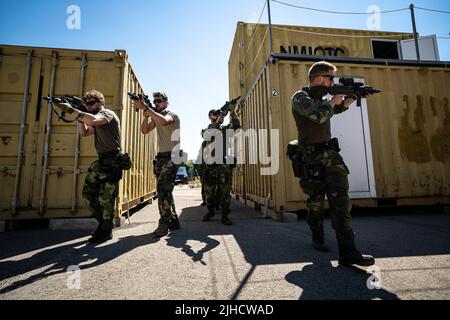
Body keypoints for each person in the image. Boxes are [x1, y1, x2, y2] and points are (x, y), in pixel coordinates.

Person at [291, 61, 375, 267]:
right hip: (311, 158)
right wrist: (334, 100)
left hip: (330, 155)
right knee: (316, 202)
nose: (332, 84)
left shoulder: (322, 98)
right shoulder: (300, 97)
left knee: (341, 200)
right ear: (319, 78)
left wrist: (350, 99)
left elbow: (334, 110)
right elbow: (319, 115)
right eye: (330, 79)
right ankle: (317, 236)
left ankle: (348, 251)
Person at [55, 90, 126, 244]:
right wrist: (78, 118)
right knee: (88, 195)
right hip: (101, 162)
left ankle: (106, 230)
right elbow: (84, 133)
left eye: (92, 102)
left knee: (106, 199)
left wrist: (71, 110)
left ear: (101, 103)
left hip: (112, 161)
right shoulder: (91, 116)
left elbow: (94, 121)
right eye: (86, 103)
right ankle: (105, 223)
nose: (88, 105)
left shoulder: (107, 114)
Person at [132, 92, 181, 238]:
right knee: (166, 191)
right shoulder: (155, 115)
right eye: (155, 101)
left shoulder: (171, 114)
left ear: (166, 102)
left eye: (159, 101)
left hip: (173, 156)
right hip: (162, 158)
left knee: (163, 189)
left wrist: (147, 108)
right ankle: (173, 221)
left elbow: (164, 121)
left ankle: (164, 222)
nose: (157, 103)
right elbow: (144, 130)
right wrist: (146, 116)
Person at [201, 104, 240, 225]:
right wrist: (218, 122)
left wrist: (233, 113)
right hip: (210, 165)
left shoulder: (225, 129)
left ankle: (224, 216)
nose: (216, 115)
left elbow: (237, 128)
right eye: (214, 114)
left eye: (217, 114)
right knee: (209, 192)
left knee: (225, 191)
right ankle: (210, 211)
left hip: (222, 164)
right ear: (209, 117)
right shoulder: (206, 130)